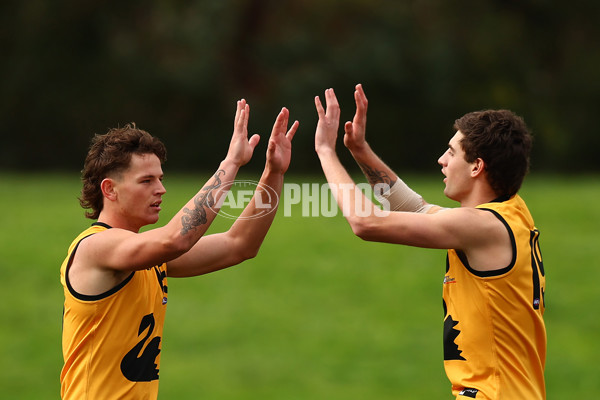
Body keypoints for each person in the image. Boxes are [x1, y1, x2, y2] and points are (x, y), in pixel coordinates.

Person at [314, 84, 546, 399]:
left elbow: (364, 222)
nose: (442, 160)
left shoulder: (480, 225)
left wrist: (326, 152)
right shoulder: (508, 214)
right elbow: (418, 209)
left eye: (452, 153)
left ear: (477, 166)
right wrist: (359, 150)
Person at [60, 100, 299, 399]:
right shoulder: (96, 246)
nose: (160, 189)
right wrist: (231, 163)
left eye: (160, 178)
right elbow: (175, 239)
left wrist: (273, 172)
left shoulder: (147, 256)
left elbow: (239, 245)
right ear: (110, 189)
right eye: (146, 180)